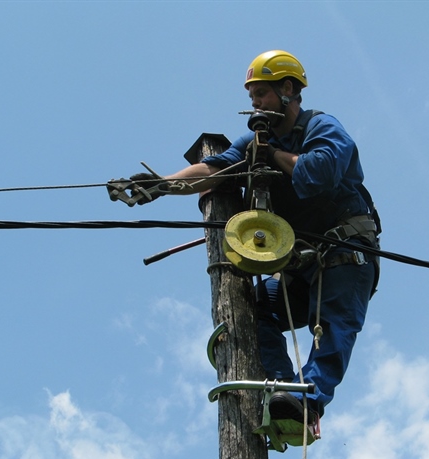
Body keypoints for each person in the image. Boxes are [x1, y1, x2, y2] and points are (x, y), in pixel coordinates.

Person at [124, 50, 380, 424]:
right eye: (252, 97)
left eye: (262, 93)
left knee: (334, 326)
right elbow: (214, 170)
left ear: (288, 90)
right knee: (253, 306)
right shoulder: (251, 144)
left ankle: (309, 400)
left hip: (345, 252)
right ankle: (282, 391)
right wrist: (163, 185)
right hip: (301, 266)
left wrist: (272, 154)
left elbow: (318, 173)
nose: (255, 103)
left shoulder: (321, 127)